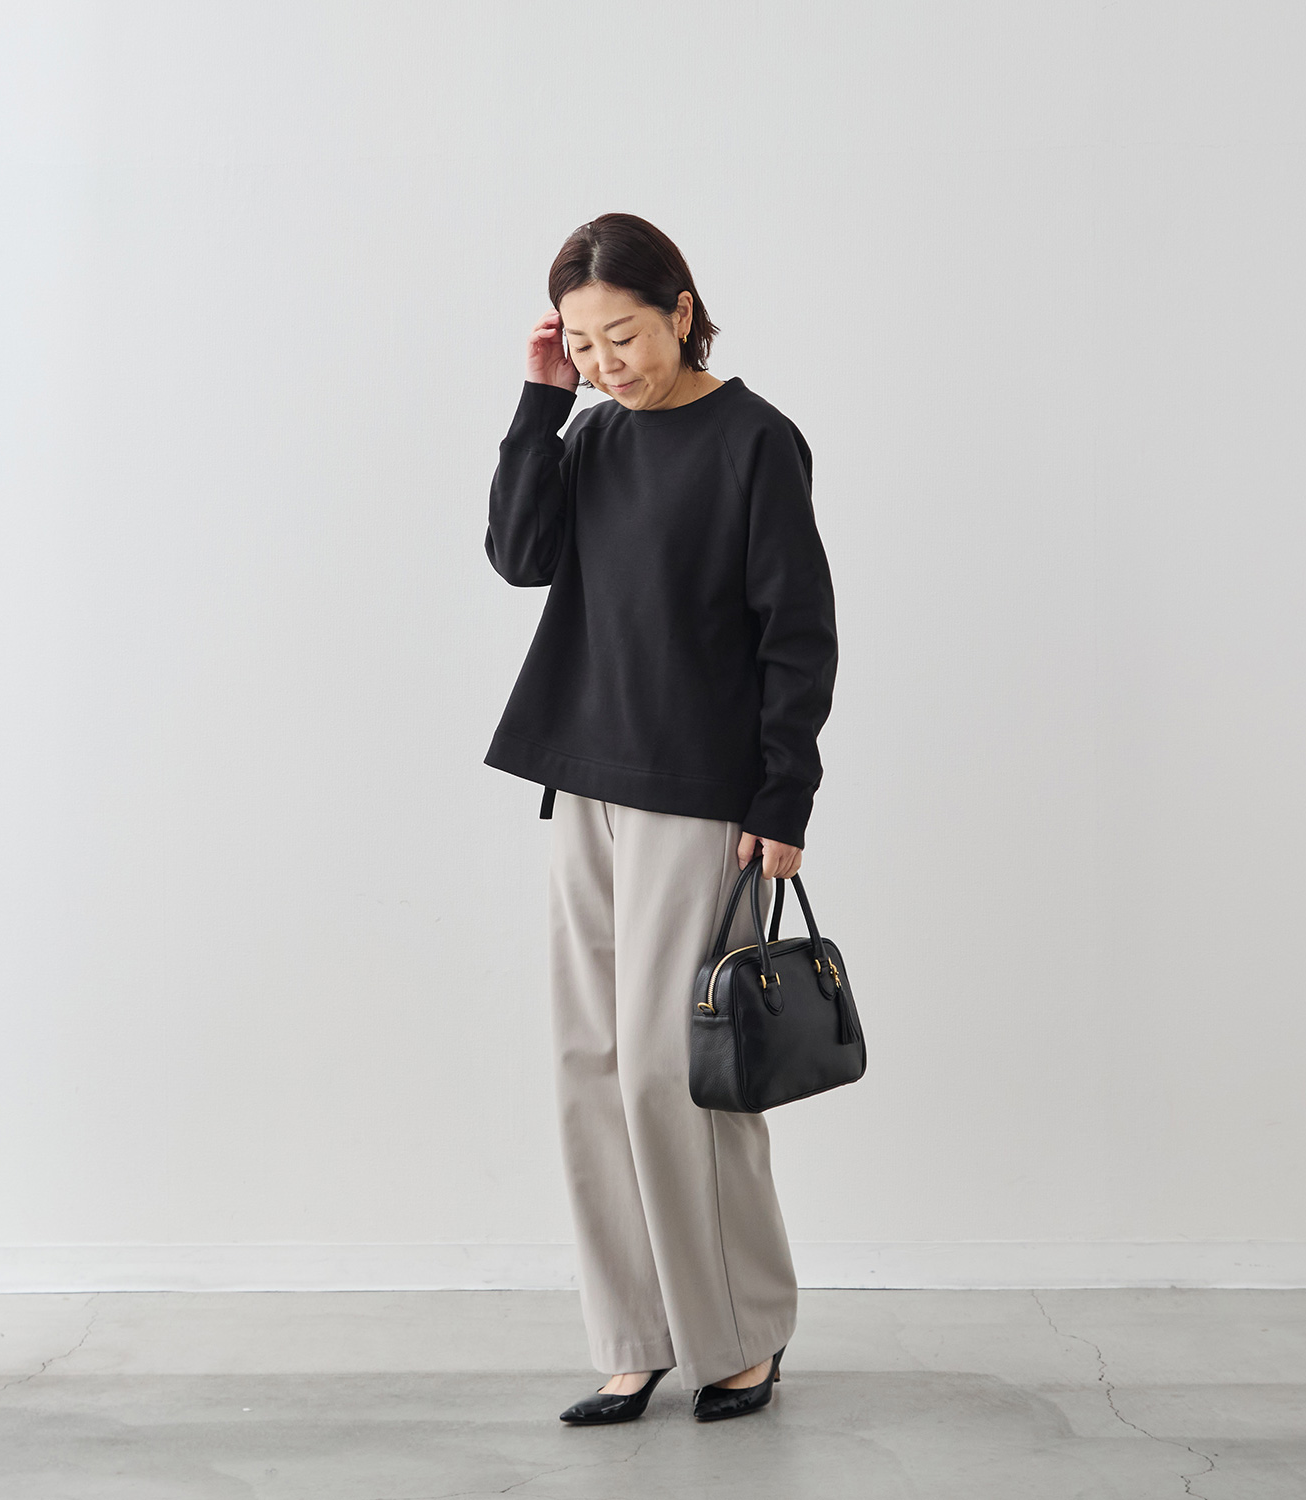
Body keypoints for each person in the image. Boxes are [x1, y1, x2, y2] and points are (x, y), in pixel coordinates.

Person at [482, 213, 838, 1424]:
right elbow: (519, 555)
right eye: (582, 344)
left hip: (700, 795)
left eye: (621, 335)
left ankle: (739, 1336)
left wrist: (784, 793)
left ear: (682, 310)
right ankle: (632, 1337)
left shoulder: (754, 440)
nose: (606, 363)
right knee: (588, 1067)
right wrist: (541, 405)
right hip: (582, 779)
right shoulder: (587, 434)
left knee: (672, 1075)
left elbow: (798, 631)